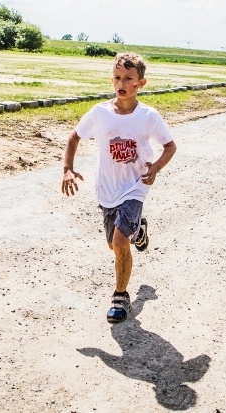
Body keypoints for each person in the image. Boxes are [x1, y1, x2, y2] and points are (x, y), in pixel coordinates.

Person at [61, 52, 177, 324]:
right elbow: (74, 137)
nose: (121, 83)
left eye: (128, 78)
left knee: (119, 241)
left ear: (141, 83)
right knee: (115, 246)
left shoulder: (148, 116)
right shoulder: (100, 114)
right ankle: (139, 230)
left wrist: (156, 167)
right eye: (117, 77)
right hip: (107, 190)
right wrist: (67, 168)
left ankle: (120, 296)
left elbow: (170, 146)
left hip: (134, 188)